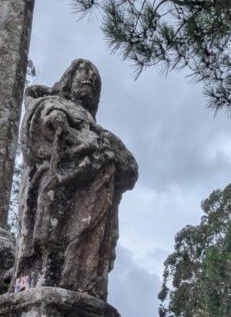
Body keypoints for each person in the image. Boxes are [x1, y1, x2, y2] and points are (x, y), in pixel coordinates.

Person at [13, 59, 138, 300]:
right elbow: (38, 128)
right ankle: (31, 287)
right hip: (55, 186)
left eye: (95, 78)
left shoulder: (100, 132)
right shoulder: (50, 103)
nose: (90, 79)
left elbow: (130, 169)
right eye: (85, 72)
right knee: (47, 255)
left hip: (93, 194)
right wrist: (57, 121)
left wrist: (102, 151)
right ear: (70, 77)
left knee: (86, 242)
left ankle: (82, 284)